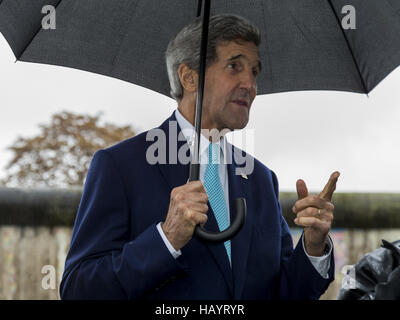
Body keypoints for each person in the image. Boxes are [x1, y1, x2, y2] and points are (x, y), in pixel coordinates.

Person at [60, 14, 339, 300]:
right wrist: (166, 238)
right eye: (234, 66)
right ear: (189, 77)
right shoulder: (121, 166)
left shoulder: (260, 179)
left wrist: (313, 246)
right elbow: (79, 289)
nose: (250, 84)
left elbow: (286, 294)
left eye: (254, 71)